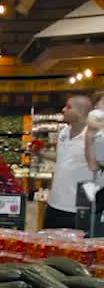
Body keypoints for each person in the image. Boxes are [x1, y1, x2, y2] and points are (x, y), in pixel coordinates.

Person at [45, 94, 95, 229]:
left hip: (78, 208)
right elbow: (65, 158)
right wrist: (41, 153)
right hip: (54, 203)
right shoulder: (64, 132)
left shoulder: (94, 137)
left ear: (80, 113)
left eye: (68, 107)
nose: (63, 109)